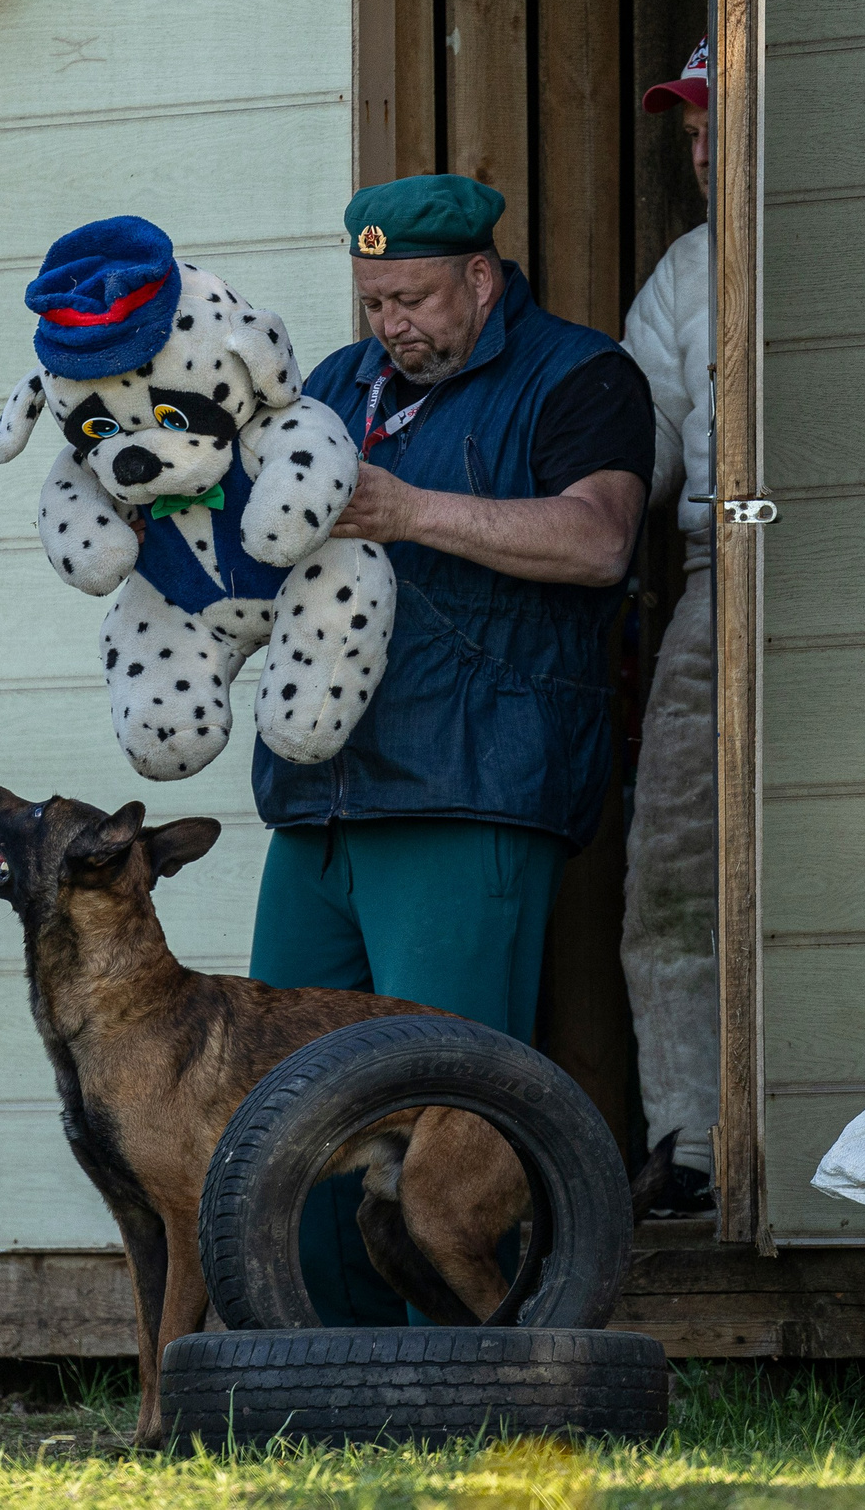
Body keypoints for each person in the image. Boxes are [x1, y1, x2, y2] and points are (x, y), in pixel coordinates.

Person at [250, 173, 655, 1324]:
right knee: (282, 1106)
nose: (391, 326)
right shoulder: (334, 386)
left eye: (414, 299)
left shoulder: (581, 375)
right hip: (315, 799)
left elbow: (599, 539)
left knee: (440, 1120)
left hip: (468, 789)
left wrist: (410, 509)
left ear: (480, 278)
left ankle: (461, 1375)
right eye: (373, 301)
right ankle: (313, 1372)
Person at [620, 38, 720, 1217]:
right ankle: (695, 1145)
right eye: (690, 132)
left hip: (863, 578)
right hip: (717, 574)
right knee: (677, 875)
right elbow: (631, 453)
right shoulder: (688, 271)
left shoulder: (854, 252)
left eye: (717, 125)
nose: (700, 150)